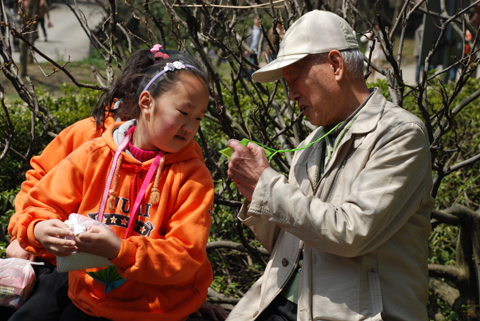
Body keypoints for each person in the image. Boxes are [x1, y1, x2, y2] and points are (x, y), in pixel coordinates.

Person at [226, 10, 434, 320]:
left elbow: (352, 233)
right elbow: (292, 245)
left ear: (336, 65)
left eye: (294, 78)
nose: (291, 94)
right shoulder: (312, 145)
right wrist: (255, 193)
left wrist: (268, 187)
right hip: (282, 305)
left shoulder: (399, 133)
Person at [6, 50, 223, 321]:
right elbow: (40, 201)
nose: (190, 126)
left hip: (157, 312)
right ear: (146, 101)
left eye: (199, 118)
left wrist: (120, 252)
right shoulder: (94, 151)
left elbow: (186, 255)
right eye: (183, 113)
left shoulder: (192, 175)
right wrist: (35, 229)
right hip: (88, 301)